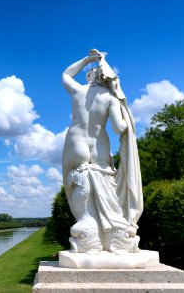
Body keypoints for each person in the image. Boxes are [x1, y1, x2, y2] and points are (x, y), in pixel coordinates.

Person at [61, 50, 143, 254]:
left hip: (76, 143)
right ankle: (113, 234)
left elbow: (65, 75)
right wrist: (127, 118)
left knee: (80, 186)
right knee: (106, 190)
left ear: (91, 76)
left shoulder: (78, 91)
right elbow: (118, 128)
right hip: (100, 147)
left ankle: (89, 236)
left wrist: (87, 59)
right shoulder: (111, 98)